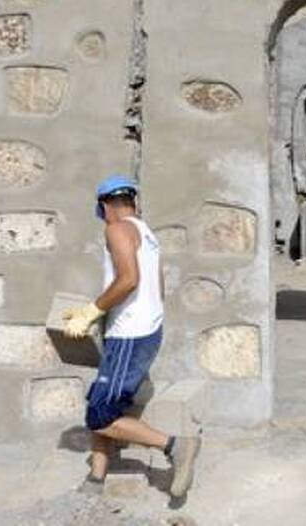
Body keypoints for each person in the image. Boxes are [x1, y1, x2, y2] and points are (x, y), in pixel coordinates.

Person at [62, 175, 200, 497]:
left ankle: (175, 447)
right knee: (102, 397)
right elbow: (158, 287)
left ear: (104, 206)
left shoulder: (117, 229)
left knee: (99, 415)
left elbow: (128, 280)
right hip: (146, 330)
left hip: (130, 337)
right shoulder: (146, 233)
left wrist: (91, 311)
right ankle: (96, 479)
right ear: (133, 202)